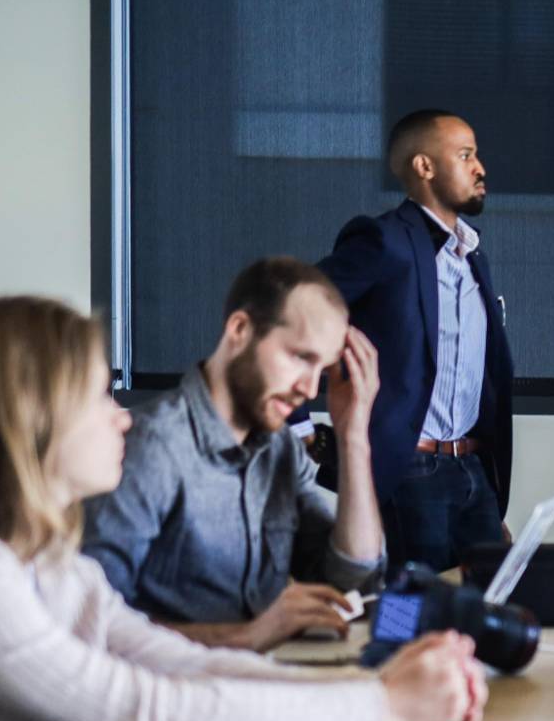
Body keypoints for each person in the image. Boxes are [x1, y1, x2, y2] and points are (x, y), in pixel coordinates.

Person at [0, 296, 485, 721]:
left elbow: (169, 660)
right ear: (31, 418)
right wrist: (382, 709)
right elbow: (138, 712)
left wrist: (371, 693)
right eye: (99, 395)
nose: (121, 418)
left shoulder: (32, 558)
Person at [83, 257, 387, 651]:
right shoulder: (150, 448)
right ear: (240, 330)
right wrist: (245, 637)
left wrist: (354, 436)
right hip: (174, 696)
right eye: (300, 358)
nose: (311, 391)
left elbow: (353, 579)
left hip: (256, 683)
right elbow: (91, 626)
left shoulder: (280, 450)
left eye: (323, 371)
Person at [319, 109, 513, 572]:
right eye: (465, 155)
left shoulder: (472, 258)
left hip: (471, 467)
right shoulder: (384, 241)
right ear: (425, 167)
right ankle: (385, 649)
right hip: (410, 470)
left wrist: (482, 476)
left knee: (484, 606)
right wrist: (303, 429)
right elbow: (294, 309)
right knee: (411, 611)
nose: (480, 167)